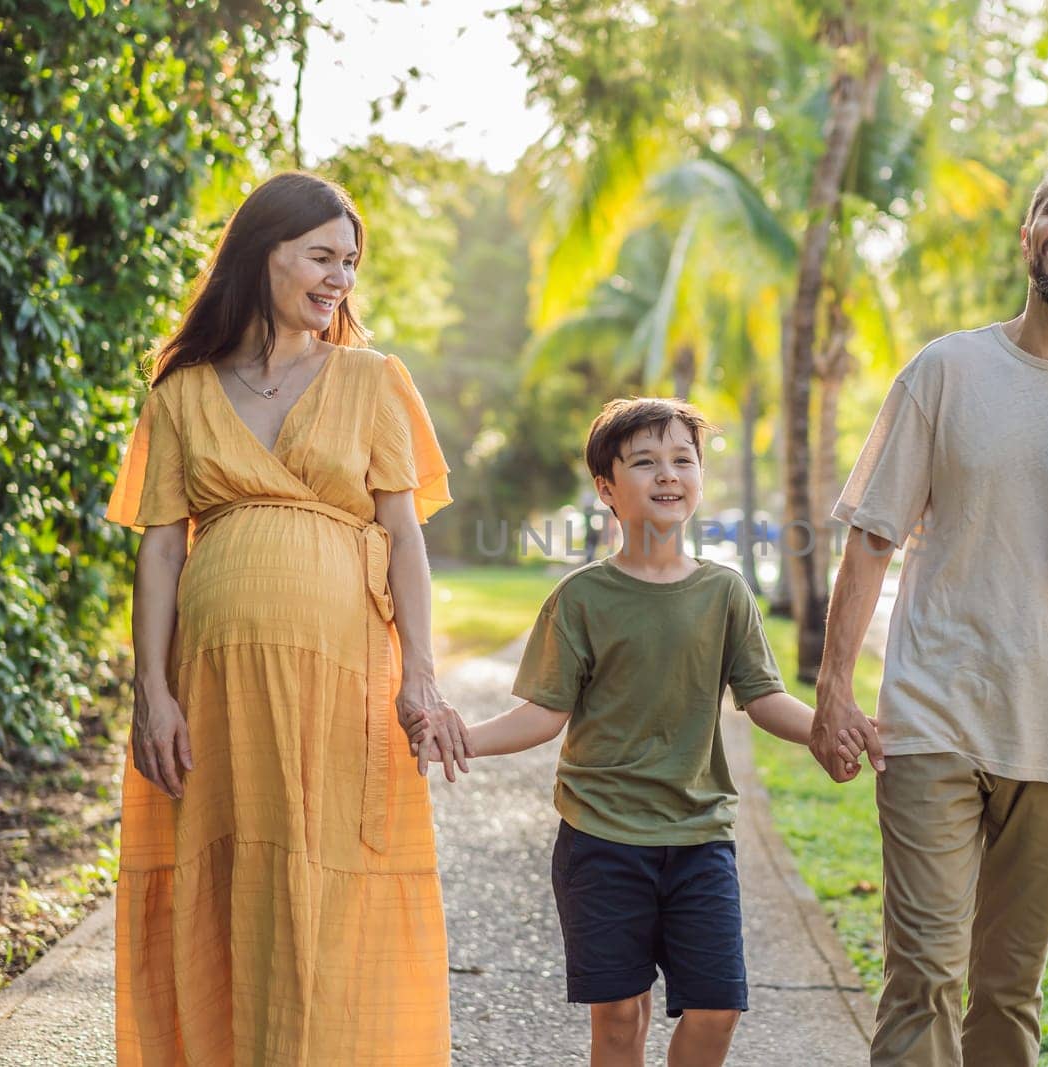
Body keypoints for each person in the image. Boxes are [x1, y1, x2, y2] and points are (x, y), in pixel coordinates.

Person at [815, 152, 1048, 1066]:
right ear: (1028, 234)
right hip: (935, 714)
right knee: (923, 977)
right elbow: (871, 536)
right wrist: (835, 688)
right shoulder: (946, 370)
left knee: (1007, 993)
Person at [106, 171, 470, 1065]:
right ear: (262, 253)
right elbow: (159, 549)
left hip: (341, 676)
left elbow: (404, 535)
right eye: (321, 256)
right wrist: (151, 689)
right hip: (214, 684)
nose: (340, 277)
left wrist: (420, 669)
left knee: (328, 879)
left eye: (350, 261)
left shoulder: (374, 380)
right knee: (225, 880)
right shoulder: (182, 390)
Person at [439, 398, 856, 1067]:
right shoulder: (581, 598)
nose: (668, 474)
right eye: (645, 462)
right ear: (607, 487)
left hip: (699, 840)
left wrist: (832, 729)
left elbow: (765, 697)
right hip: (600, 840)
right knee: (619, 1019)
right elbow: (545, 712)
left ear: (698, 476)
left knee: (718, 1009)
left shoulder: (726, 593)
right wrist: (467, 736)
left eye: (682, 459)